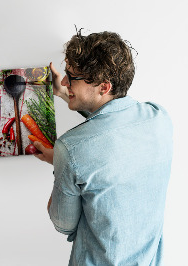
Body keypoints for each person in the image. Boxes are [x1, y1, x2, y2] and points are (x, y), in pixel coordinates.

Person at [34, 31, 173, 265]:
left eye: (71, 77)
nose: (65, 81)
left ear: (104, 86)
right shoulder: (159, 118)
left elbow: (63, 224)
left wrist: (62, 163)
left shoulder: (70, 149)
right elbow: (113, 123)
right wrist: (63, 92)